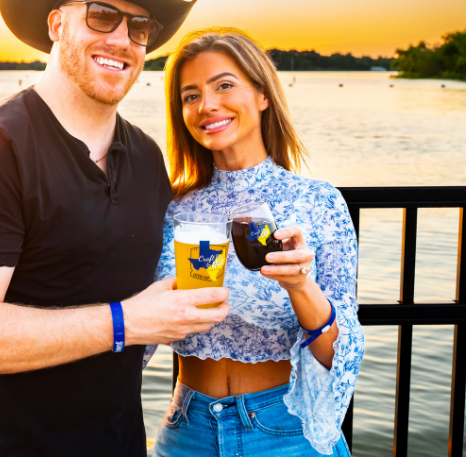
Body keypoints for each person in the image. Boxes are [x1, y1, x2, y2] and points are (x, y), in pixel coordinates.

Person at [0, 0, 217, 457]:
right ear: (57, 25)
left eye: (140, 28)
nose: (122, 40)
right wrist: (128, 322)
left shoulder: (147, 159)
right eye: (102, 16)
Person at [151, 28, 363, 456]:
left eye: (224, 86)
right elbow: (134, 338)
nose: (207, 105)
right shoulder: (168, 207)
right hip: (186, 429)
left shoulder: (317, 202)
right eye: (191, 95)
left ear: (263, 95)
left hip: (288, 430)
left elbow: (339, 356)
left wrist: (301, 286)